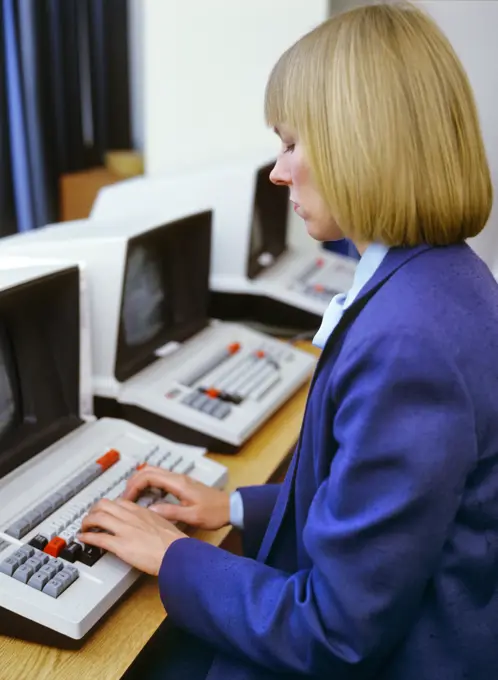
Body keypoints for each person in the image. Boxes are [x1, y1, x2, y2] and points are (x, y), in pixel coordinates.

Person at [79, 3, 498, 679]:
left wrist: (173, 555)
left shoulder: (409, 342)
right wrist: (234, 505)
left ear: (362, 142)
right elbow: (380, 511)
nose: (278, 173)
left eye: (292, 143)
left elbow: (334, 633)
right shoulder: (441, 281)